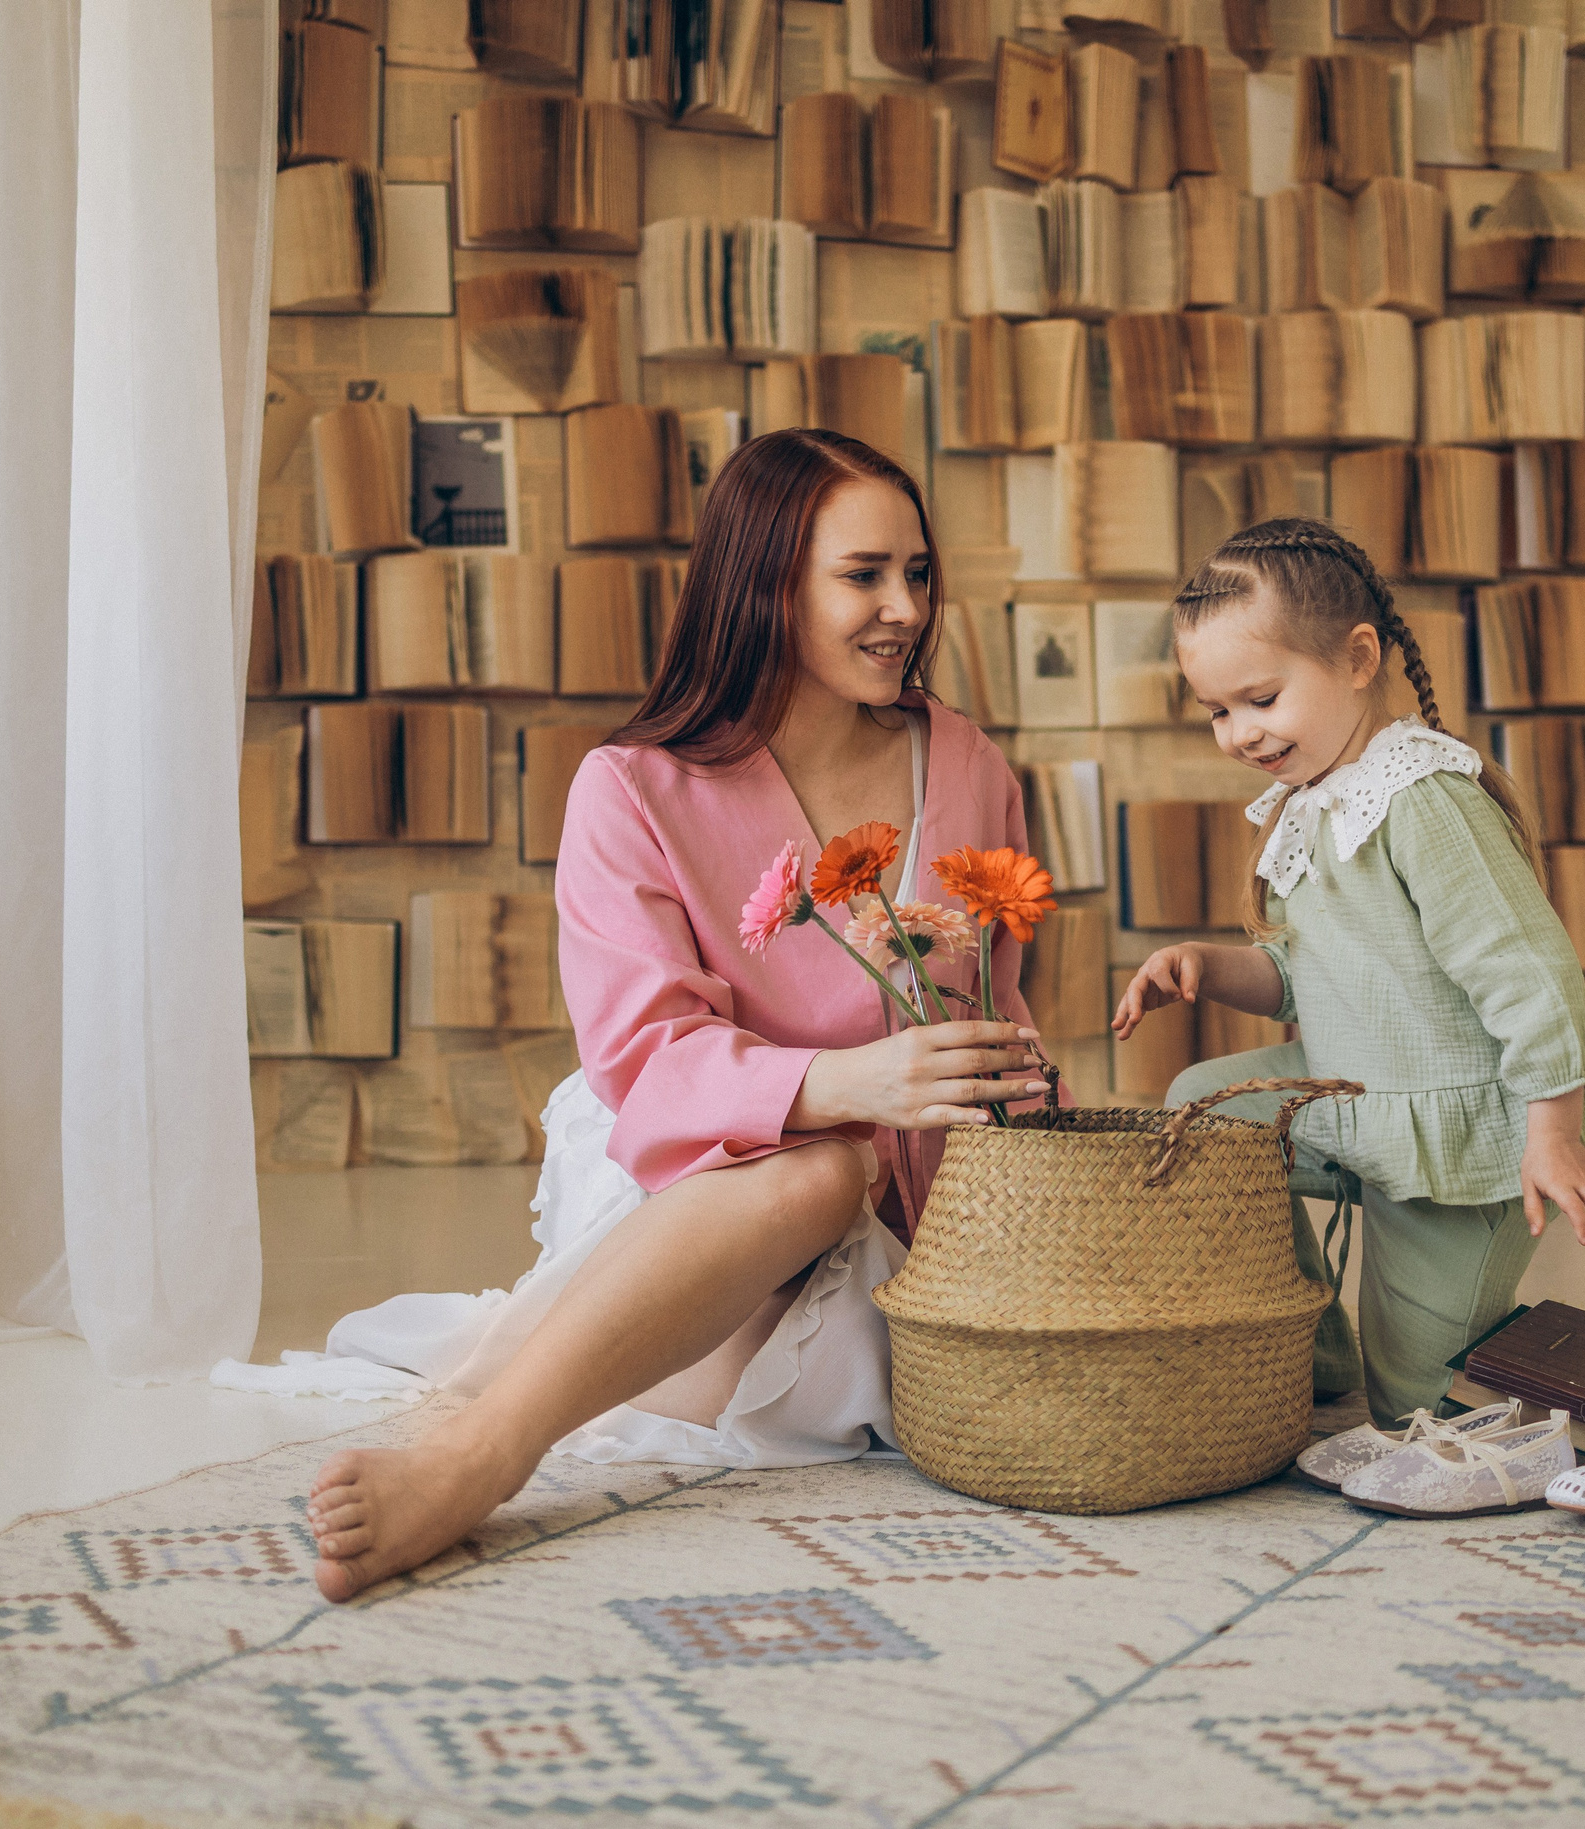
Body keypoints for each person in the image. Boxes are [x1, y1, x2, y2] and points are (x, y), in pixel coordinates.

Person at [299, 431, 1051, 1600]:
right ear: (766, 584)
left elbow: (998, 1003)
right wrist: (845, 1088)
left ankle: (572, 1368)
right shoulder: (630, 790)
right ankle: (480, 1454)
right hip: (703, 1187)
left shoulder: (966, 764)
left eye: (916, 571)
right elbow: (644, 1057)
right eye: (862, 574)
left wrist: (1027, 1146)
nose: (905, 608)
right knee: (818, 1174)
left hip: (925, 1213)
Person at [1112, 517, 1585, 1469]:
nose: (1239, 732)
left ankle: (1560, 1387)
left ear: (1358, 659)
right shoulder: (1312, 803)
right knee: (1202, 1112)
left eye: (1261, 698)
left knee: (1415, 1418)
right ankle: (1302, 1342)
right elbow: (1309, 978)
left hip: (1463, 1141)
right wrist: (1205, 964)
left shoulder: (1423, 799)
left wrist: (1552, 1130)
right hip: (1352, 1097)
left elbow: (1530, 972)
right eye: (1217, 711)